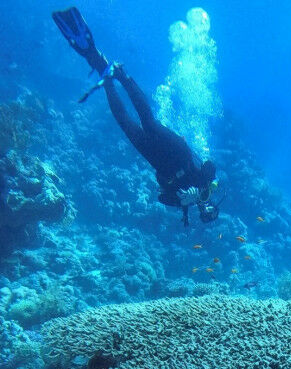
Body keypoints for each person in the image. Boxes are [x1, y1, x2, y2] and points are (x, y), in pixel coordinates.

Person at [52, 7, 221, 226]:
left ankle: (107, 78)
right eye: (209, 207)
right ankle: (121, 75)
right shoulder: (207, 185)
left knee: (125, 124)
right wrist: (204, 188)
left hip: (156, 159)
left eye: (204, 213)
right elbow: (209, 165)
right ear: (213, 203)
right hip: (177, 149)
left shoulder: (184, 205)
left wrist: (181, 201)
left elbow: (161, 197)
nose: (204, 207)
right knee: (149, 121)